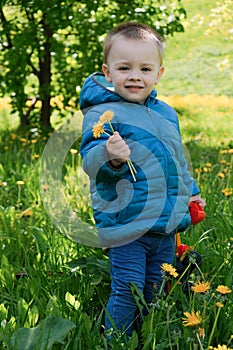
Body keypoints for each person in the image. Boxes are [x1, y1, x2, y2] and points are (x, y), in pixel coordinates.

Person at [79, 22, 206, 338]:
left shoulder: (166, 114)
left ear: (159, 73)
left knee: (155, 286)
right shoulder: (102, 114)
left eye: (145, 68)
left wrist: (191, 193)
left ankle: (145, 335)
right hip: (127, 223)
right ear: (108, 73)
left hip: (165, 225)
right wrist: (111, 156)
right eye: (124, 68)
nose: (135, 75)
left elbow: (176, 160)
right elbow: (90, 160)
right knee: (128, 286)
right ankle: (117, 340)